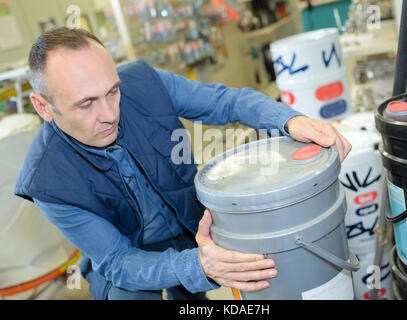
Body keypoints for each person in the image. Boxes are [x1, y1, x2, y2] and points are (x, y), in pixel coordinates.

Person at [15, 27, 351, 300]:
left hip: (191, 223)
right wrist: (197, 267)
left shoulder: (143, 83)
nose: (109, 114)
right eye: (86, 103)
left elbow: (227, 102)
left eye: (112, 91)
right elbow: (118, 261)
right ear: (43, 107)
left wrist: (288, 120)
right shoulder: (47, 180)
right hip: (130, 254)